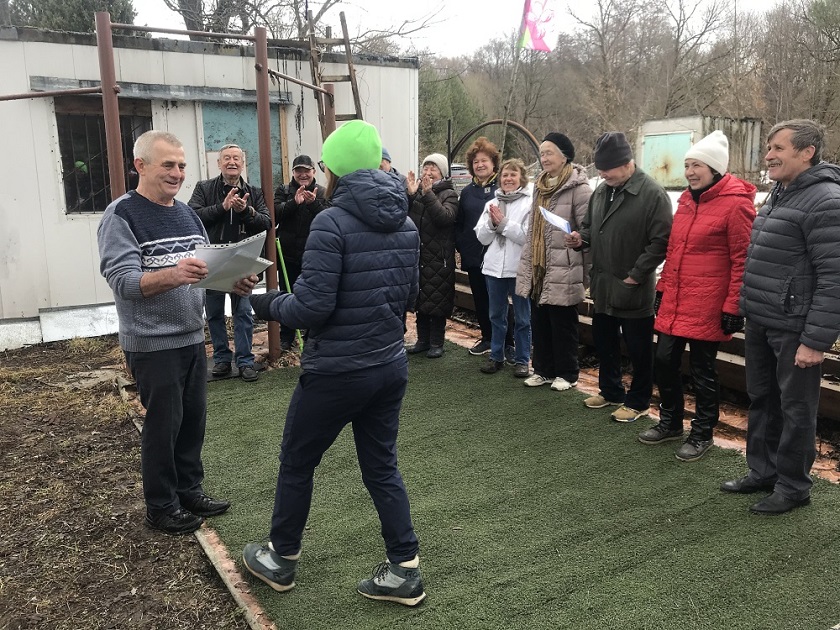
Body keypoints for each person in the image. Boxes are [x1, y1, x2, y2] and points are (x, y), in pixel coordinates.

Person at [242, 120, 426, 606]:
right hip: (389, 365)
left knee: (297, 462)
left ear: (334, 169)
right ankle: (405, 569)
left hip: (337, 372)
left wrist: (262, 302)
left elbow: (311, 308)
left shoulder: (331, 221)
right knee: (382, 466)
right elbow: (410, 296)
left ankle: (281, 559)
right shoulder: (407, 222)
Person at [98, 130, 256, 535]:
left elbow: (203, 273)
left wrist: (234, 280)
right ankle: (161, 506)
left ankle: (188, 490)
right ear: (141, 165)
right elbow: (123, 282)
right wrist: (174, 273)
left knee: (192, 422)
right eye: (168, 164)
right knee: (162, 427)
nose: (177, 173)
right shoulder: (121, 216)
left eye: (182, 165)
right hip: (152, 343)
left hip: (191, 336)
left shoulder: (187, 214)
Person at [721, 119, 840, 514]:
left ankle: (793, 487)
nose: (768, 156)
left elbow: (834, 278)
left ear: (807, 152)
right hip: (762, 320)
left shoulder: (826, 200)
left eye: (777, 148)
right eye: (768, 148)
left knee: (796, 410)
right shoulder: (781, 192)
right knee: (762, 399)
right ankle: (763, 471)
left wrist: (815, 341)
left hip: (794, 328)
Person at [639, 131, 755, 461]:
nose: (689, 172)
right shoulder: (687, 202)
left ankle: (702, 432)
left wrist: (734, 306)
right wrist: (662, 289)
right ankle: (671, 422)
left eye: (697, 165)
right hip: (677, 300)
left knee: (703, 369)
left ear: (715, 168)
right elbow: (674, 253)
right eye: (687, 165)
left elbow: (743, 259)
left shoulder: (737, 205)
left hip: (709, 304)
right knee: (664, 361)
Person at [565, 132, 672, 422]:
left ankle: (638, 401)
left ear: (627, 163)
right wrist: (580, 239)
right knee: (605, 343)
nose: (602, 174)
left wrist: (636, 275)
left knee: (638, 350)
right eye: (600, 168)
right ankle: (610, 391)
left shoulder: (652, 194)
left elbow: (661, 241)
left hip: (632, 289)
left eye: (607, 168)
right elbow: (589, 227)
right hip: (602, 286)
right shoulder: (602, 191)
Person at [189, 144, 271, 382]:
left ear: (242, 163)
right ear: (219, 163)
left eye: (236, 158)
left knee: (243, 313)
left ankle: (245, 361)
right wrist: (222, 207)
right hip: (213, 261)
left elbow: (266, 222)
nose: (231, 162)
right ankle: (222, 359)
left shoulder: (254, 192)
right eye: (226, 158)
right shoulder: (204, 188)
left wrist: (247, 212)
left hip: (243, 262)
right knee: (214, 313)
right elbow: (193, 216)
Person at [516, 134, 592, 389]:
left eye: (549, 153)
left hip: (565, 264)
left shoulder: (580, 188)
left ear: (564, 156)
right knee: (540, 321)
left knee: (563, 323)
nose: (544, 158)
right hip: (539, 265)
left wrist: (579, 238)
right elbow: (533, 228)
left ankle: (567, 374)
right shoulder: (540, 185)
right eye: (542, 153)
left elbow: (589, 227)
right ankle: (543, 369)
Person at [455, 137, 514, 357]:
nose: (480, 165)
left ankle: (508, 342)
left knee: (500, 301)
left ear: (493, 163)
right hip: (473, 256)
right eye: (476, 162)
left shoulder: (502, 188)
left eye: (484, 161)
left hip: (497, 256)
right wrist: (462, 245)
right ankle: (487, 337)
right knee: (480, 299)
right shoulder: (467, 192)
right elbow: (460, 223)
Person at [474, 157, 532, 377]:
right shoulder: (492, 203)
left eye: (513, 175)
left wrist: (504, 224)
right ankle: (496, 356)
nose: (508, 179)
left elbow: (527, 236)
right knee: (496, 316)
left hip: (519, 269)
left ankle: (522, 360)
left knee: (523, 318)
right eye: (505, 175)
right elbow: (482, 237)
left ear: (521, 178)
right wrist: (492, 223)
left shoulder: (529, 202)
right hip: (494, 268)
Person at [404, 153, 459, 358]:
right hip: (419, 255)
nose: (428, 172)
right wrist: (410, 196)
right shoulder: (418, 192)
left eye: (433, 169)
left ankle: (437, 342)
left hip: (439, 258)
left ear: (441, 173)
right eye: (425, 168)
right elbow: (404, 215)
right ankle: (422, 340)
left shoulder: (449, 194)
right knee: (421, 300)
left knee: (437, 300)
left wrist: (428, 194)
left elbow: (445, 218)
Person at [273, 155, 328, 350]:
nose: (303, 175)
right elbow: (274, 214)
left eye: (306, 171)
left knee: (313, 296)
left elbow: (328, 217)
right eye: (299, 171)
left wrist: (313, 203)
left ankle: (312, 335)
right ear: (293, 172)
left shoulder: (323, 192)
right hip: (287, 256)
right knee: (286, 295)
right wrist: (293, 203)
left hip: (314, 256)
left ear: (313, 172)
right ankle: (286, 337)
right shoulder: (283, 191)